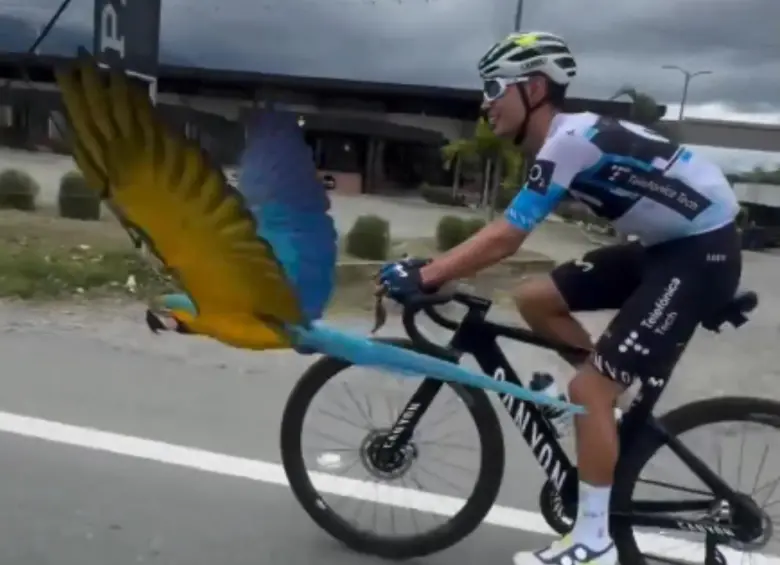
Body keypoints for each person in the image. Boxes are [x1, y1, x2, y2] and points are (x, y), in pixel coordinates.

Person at [377, 30, 741, 565]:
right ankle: (606, 414)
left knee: (587, 389)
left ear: (535, 88)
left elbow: (507, 235)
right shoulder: (569, 138)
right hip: (667, 249)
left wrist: (429, 274)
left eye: (494, 87)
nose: (485, 103)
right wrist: (441, 272)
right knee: (535, 299)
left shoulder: (569, 141)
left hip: (697, 255)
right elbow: (504, 235)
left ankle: (593, 541)